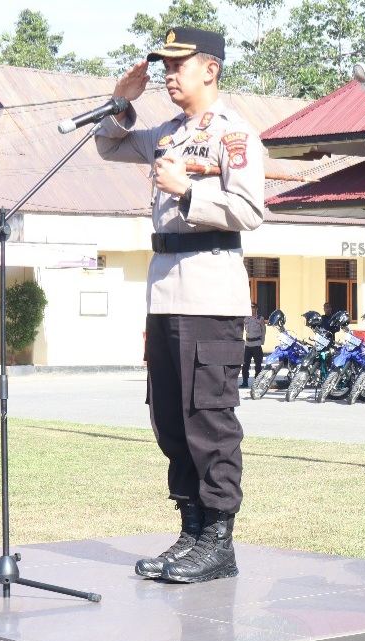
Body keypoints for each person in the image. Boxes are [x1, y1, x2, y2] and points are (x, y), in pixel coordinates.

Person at [95, 26, 265, 584]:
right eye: (162, 67)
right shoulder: (167, 132)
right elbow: (109, 144)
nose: (168, 74)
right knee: (169, 417)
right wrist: (123, 100)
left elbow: (249, 209)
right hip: (165, 292)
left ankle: (219, 539)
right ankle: (191, 529)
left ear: (209, 70)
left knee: (208, 418)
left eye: (178, 65)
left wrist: (187, 191)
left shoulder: (233, 135)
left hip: (210, 293)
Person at [241, 303, 266, 387]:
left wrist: (261, 342)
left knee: (258, 365)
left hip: (256, 345)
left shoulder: (260, 319)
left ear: (256, 309)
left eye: (253, 307)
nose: (252, 309)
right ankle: (245, 382)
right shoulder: (245, 319)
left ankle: (257, 383)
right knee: (245, 365)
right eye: (250, 307)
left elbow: (263, 331)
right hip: (248, 345)